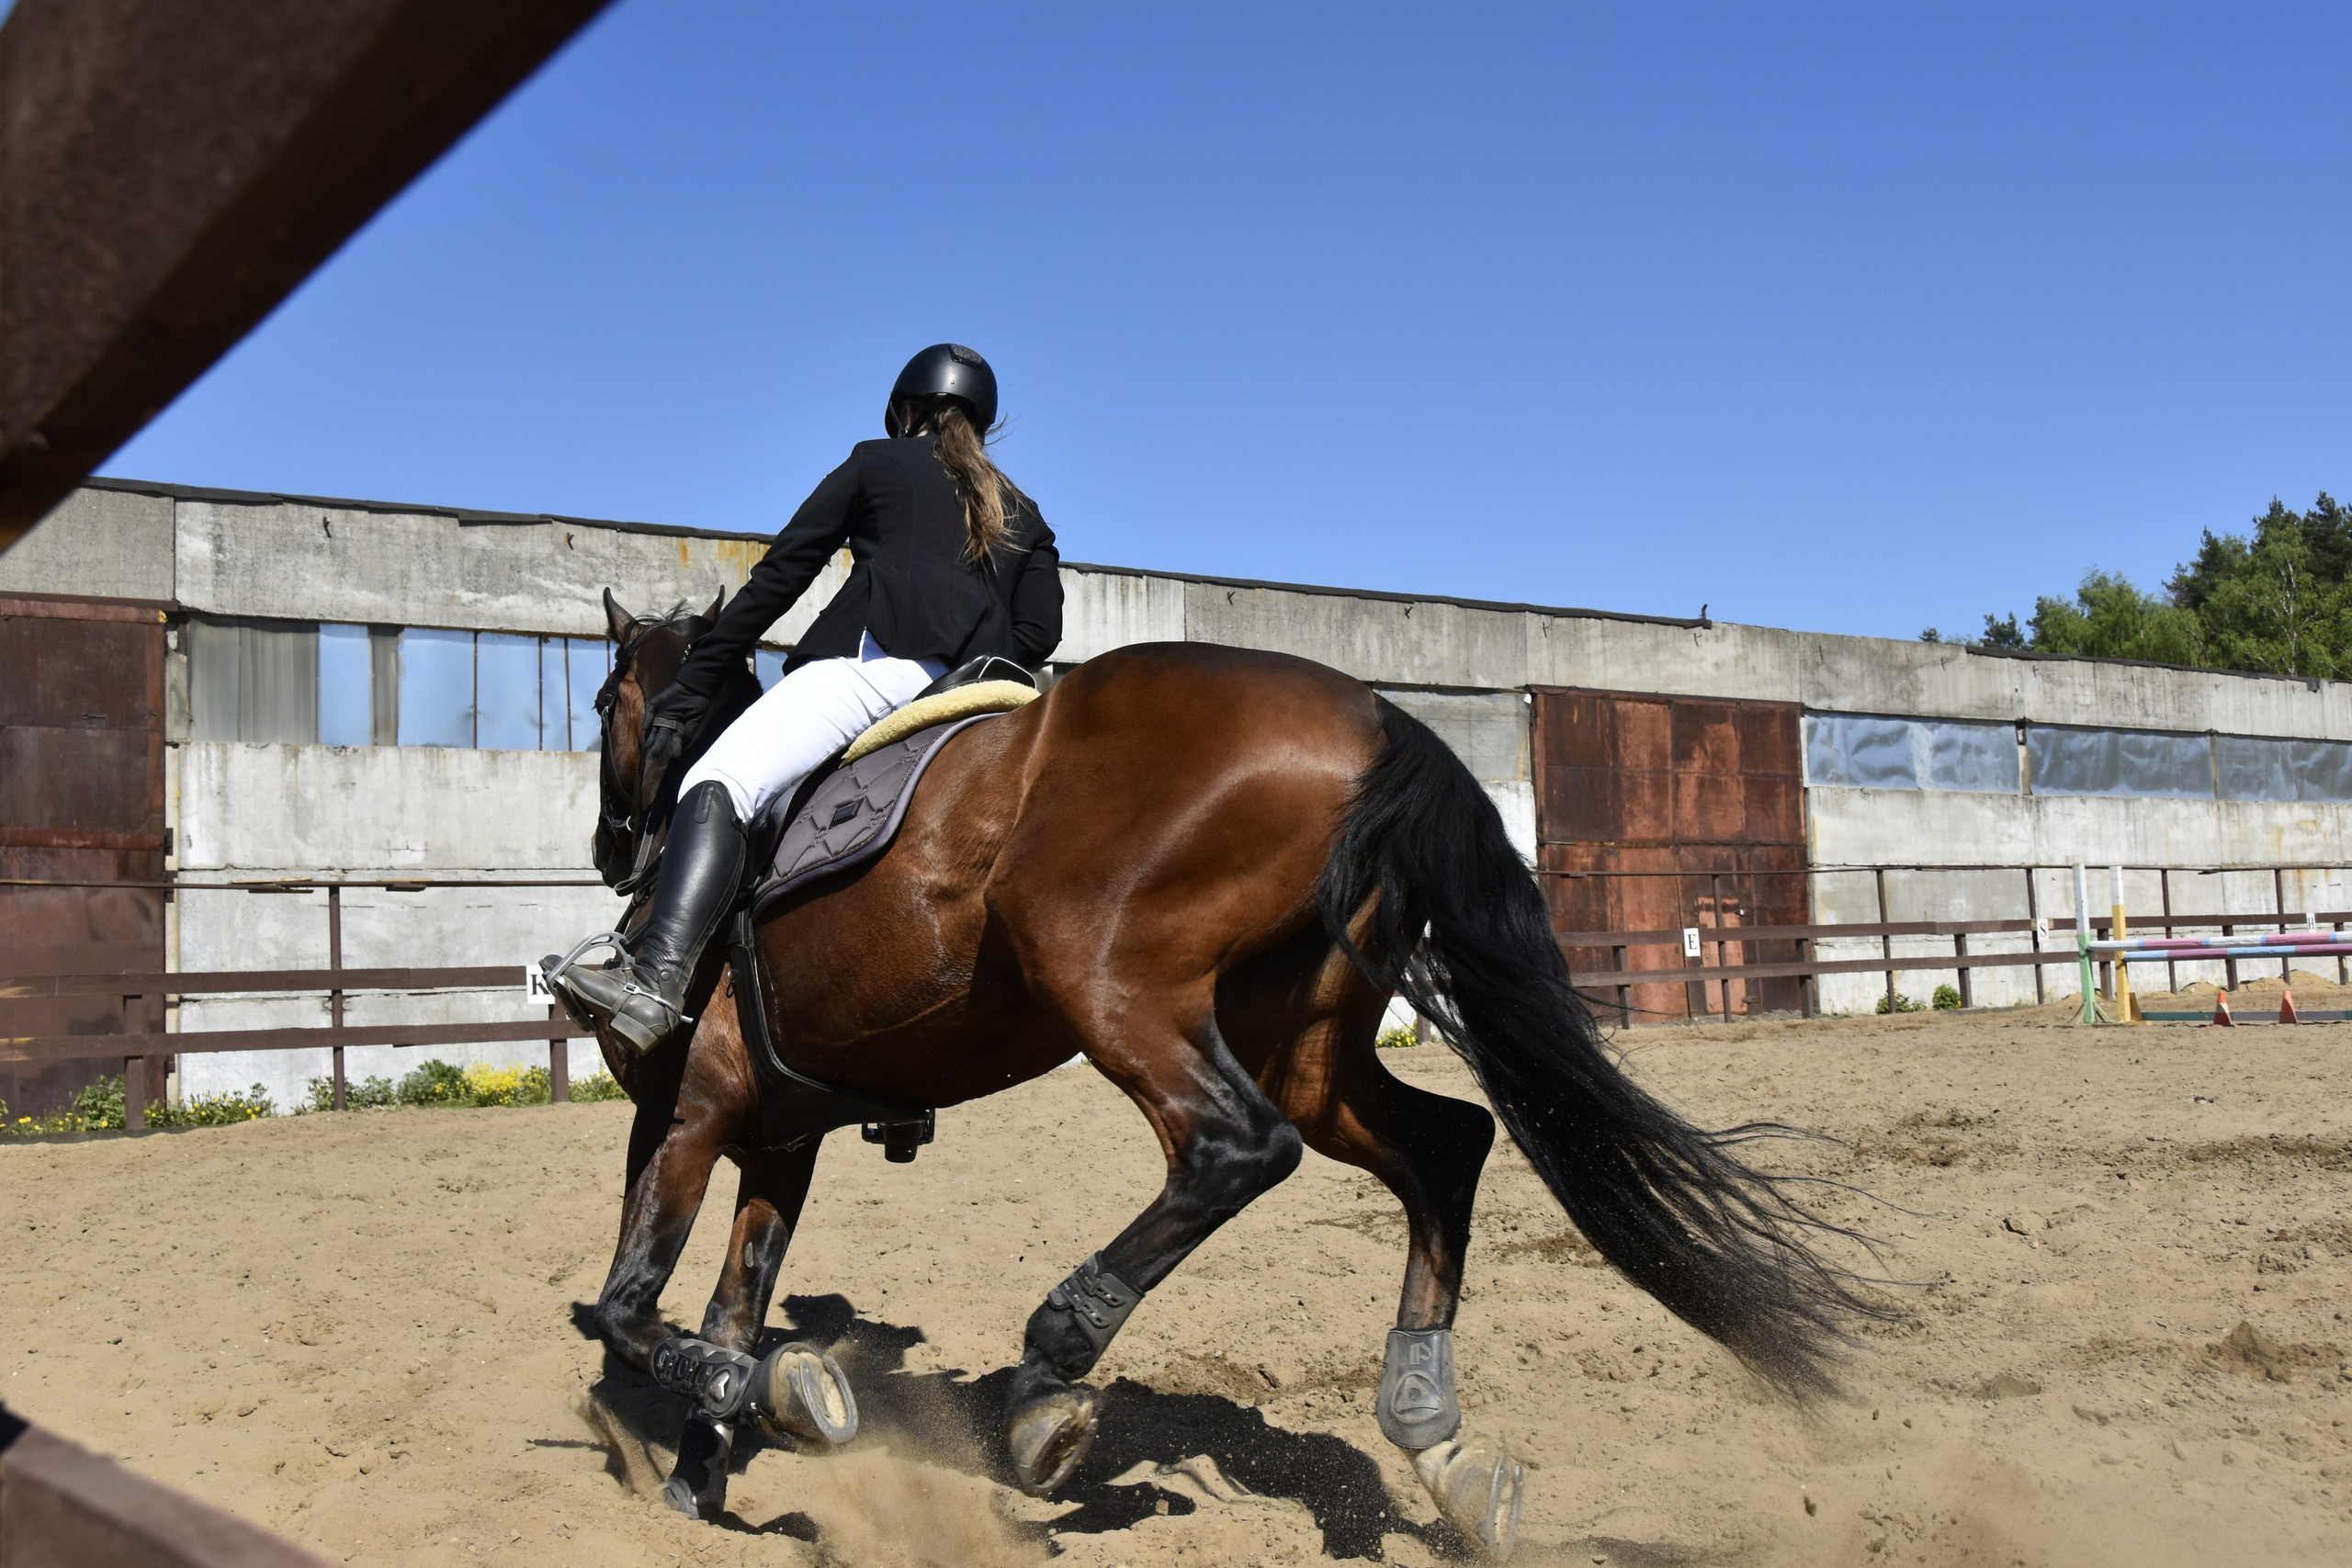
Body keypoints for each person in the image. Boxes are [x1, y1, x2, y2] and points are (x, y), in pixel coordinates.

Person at [548, 344, 1062, 1055]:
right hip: (979, 698)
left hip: (874, 674)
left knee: (719, 780)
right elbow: (1041, 630)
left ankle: (656, 978)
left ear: (905, 411)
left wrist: (695, 686)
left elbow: (780, 576)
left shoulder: (876, 461)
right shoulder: (1026, 513)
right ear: (983, 424)